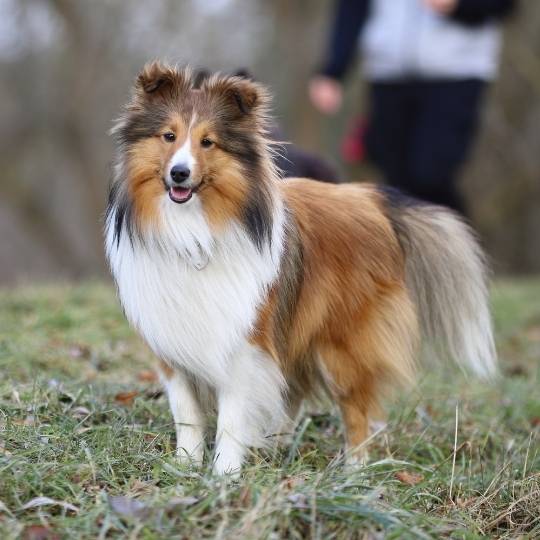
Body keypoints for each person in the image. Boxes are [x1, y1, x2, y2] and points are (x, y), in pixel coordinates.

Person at [310, 0, 516, 213]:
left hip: (456, 74)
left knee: (430, 174)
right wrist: (333, 70)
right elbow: (353, 7)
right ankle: (410, 244)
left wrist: (459, 5)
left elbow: (505, 6)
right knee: (395, 183)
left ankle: (458, 242)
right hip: (388, 73)